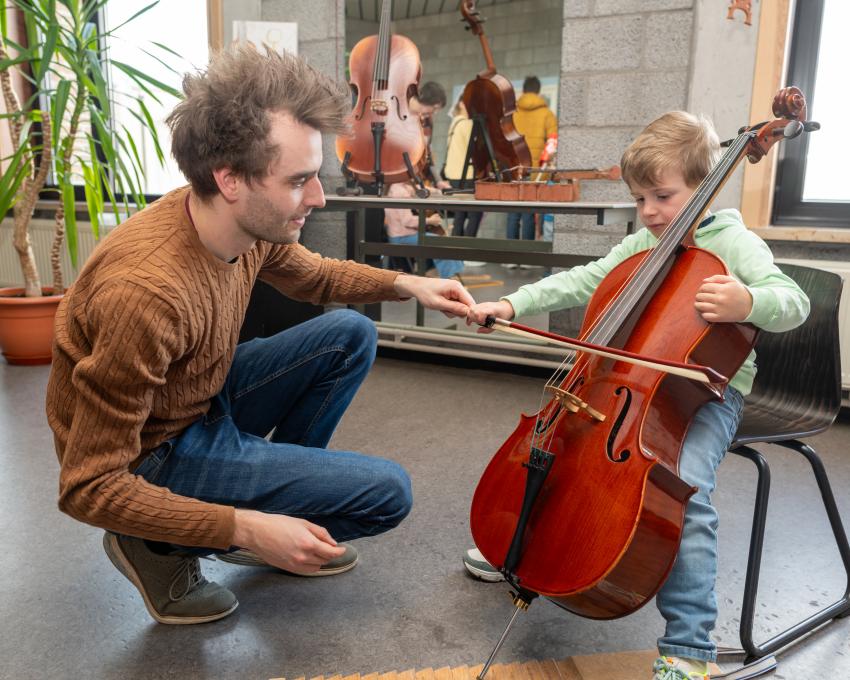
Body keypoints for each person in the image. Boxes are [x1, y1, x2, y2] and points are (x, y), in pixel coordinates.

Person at [45, 46, 475, 626]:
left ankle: (273, 509)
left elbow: (315, 276)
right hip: (152, 455)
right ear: (229, 179)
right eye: (299, 181)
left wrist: (407, 283)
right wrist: (242, 526)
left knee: (349, 332)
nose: (318, 198)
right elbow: (89, 486)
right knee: (387, 494)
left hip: (199, 399)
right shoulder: (145, 293)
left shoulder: (238, 223)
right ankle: (157, 543)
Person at [461, 111, 810, 680]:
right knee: (565, 457)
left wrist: (748, 302)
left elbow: (793, 301)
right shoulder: (644, 243)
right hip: (626, 385)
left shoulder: (733, 243)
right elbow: (582, 279)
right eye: (639, 198)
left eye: (662, 196)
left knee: (681, 490)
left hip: (706, 398)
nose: (648, 212)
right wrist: (510, 303)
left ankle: (689, 648)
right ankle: (523, 546)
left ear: (706, 183)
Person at [504, 75, 557, 264]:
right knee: (528, 213)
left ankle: (510, 258)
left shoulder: (513, 114)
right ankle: (526, 259)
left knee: (512, 213)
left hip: (514, 169)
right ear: (538, 91)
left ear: (524, 90)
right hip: (534, 171)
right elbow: (552, 143)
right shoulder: (547, 114)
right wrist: (543, 167)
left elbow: (505, 140)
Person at [384, 180, 463, 279]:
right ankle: (448, 277)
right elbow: (407, 221)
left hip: (406, 234)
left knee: (444, 241)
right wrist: (430, 220)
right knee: (442, 243)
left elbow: (418, 189)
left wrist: (440, 191)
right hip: (402, 238)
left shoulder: (401, 186)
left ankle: (445, 274)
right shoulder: (399, 191)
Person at [443, 99, 483, 239]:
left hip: (453, 174)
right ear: (461, 104)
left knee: (459, 213)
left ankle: (456, 244)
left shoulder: (454, 122)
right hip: (467, 174)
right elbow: (476, 148)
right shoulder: (467, 124)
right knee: (475, 213)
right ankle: (468, 245)